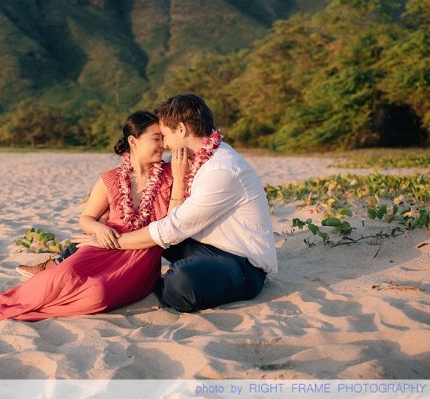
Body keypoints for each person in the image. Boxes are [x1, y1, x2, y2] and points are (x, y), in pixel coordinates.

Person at [0, 111, 186, 325]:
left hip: (139, 258)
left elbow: (174, 221)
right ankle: (6, 302)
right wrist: (98, 229)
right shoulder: (110, 178)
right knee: (61, 277)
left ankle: (40, 298)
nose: (163, 145)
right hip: (103, 246)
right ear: (134, 141)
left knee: (97, 294)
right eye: (157, 138)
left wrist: (179, 177)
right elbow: (87, 218)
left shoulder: (171, 174)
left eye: (164, 139)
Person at [73, 94, 278, 313]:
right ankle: (76, 259)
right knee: (131, 230)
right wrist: (104, 224)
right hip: (198, 244)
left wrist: (114, 242)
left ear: (181, 129)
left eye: (165, 134)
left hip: (238, 260)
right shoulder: (189, 158)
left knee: (180, 284)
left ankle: (145, 282)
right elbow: (152, 194)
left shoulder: (222, 169)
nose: (164, 144)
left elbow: (172, 228)